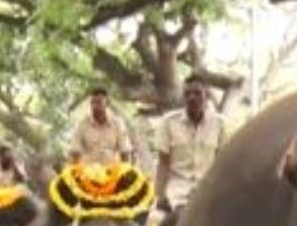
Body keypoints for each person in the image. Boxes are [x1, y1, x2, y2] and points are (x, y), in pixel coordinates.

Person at [153, 75, 230, 213]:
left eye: (197, 93)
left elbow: (223, 162)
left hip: (208, 187)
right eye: (187, 94)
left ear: (206, 96)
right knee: (159, 222)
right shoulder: (168, 122)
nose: (192, 98)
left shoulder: (220, 123)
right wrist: (159, 195)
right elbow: (163, 163)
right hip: (177, 189)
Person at [70, 87, 134, 167]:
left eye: (99, 102)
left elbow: (125, 152)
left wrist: (127, 172)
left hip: (112, 172)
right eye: (92, 103)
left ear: (107, 103)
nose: (95, 106)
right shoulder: (82, 124)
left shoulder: (118, 124)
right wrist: (74, 172)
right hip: (88, 173)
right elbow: (75, 152)